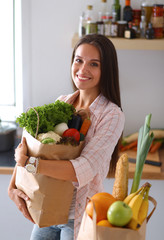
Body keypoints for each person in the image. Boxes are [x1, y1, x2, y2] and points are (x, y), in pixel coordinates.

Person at [8, 34, 125, 240]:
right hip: (46, 209)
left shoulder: (112, 115)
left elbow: (84, 169)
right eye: (78, 60)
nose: (82, 69)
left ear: (106, 70)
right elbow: (31, 148)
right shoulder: (62, 102)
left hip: (79, 217)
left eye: (94, 64)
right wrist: (12, 188)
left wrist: (29, 163)